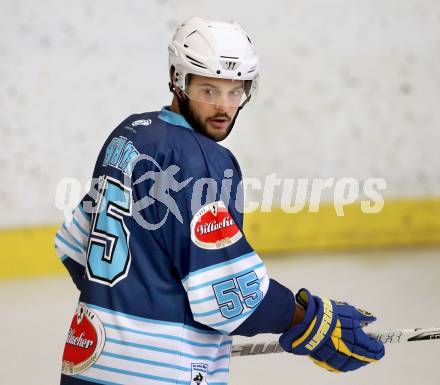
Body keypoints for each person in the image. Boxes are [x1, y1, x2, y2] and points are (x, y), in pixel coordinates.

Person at [55, 16, 385, 385]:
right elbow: (228, 295)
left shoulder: (130, 134)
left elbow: (72, 245)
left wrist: (127, 311)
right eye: (208, 91)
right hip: (164, 374)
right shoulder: (202, 160)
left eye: (235, 91)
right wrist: (309, 321)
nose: (223, 107)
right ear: (178, 82)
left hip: (88, 357)